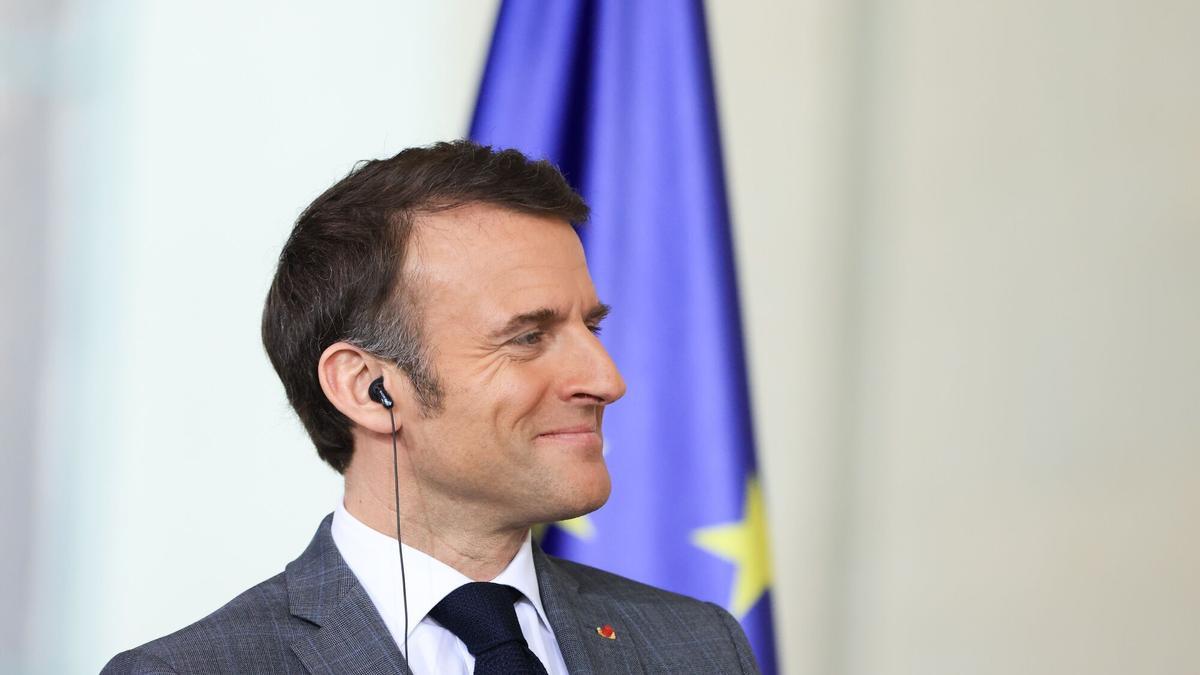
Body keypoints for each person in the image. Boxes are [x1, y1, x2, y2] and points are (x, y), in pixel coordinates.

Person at [102, 141, 760, 674]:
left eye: (592, 327)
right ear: (369, 388)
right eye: (528, 336)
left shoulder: (698, 648)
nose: (607, 379)